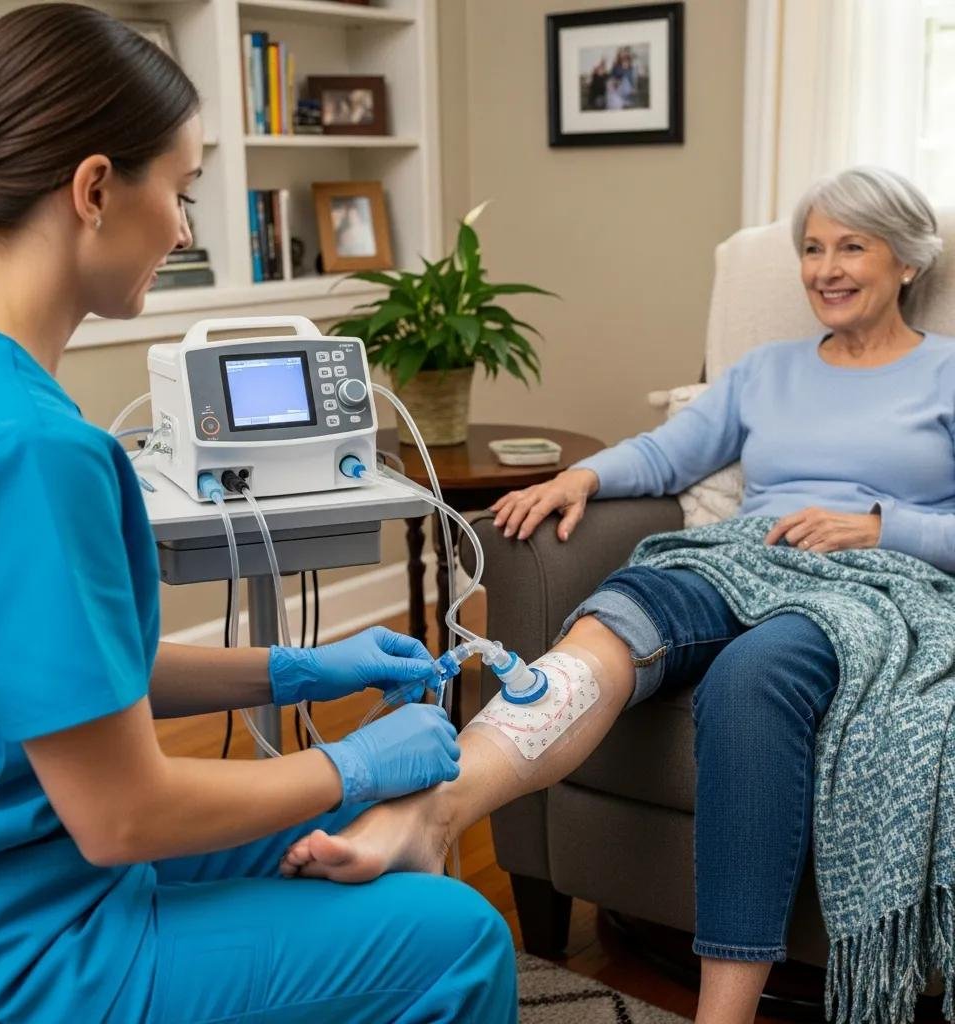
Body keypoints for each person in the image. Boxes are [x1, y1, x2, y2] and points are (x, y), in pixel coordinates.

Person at [0, 6, 516, 1022]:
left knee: (367, 825)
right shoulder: (31, 451)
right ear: (96, 189)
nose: (188, 229)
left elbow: (72, 676)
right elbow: (122, 812)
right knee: (460, 937)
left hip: (25, 863)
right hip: (21, 947)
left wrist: (298, 668)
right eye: (184, 190)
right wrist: (347, 756)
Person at [279, 165, 950, 1024]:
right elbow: (671, 453)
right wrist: (582, 477)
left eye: (851, 246)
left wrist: (880, 525)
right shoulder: (767, 372)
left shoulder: (945, 372)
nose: (825, 268)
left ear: (906, 261)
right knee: (613, 621)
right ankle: (436, 815)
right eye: (812, 248)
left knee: (751, 678)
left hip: (871, 583)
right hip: (745, 553)